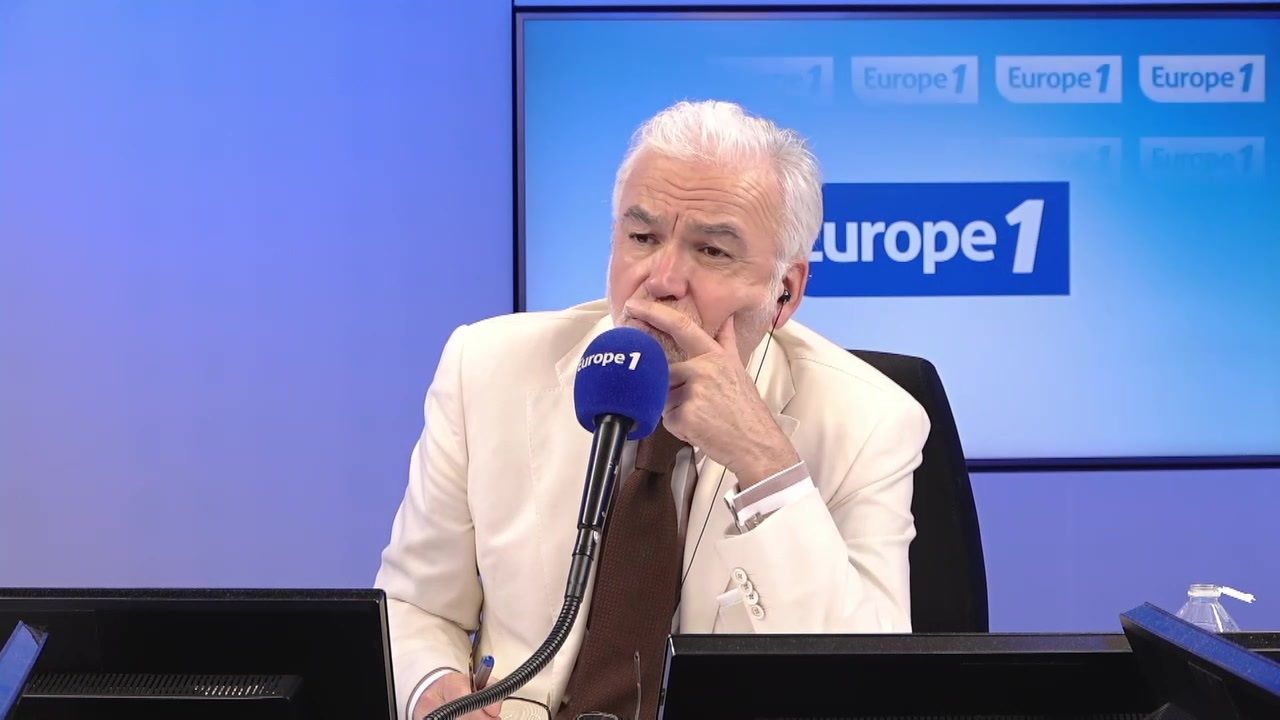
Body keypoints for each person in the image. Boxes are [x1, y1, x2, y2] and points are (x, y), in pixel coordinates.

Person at [375, 100, 930, 720]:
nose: (662, 278)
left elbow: (866, 686)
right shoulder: (485, 368)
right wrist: (434, 689)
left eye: (712, 251)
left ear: (785, 292)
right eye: (641, 238)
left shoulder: (870, 422)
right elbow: (415, 605)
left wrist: (764, 461)